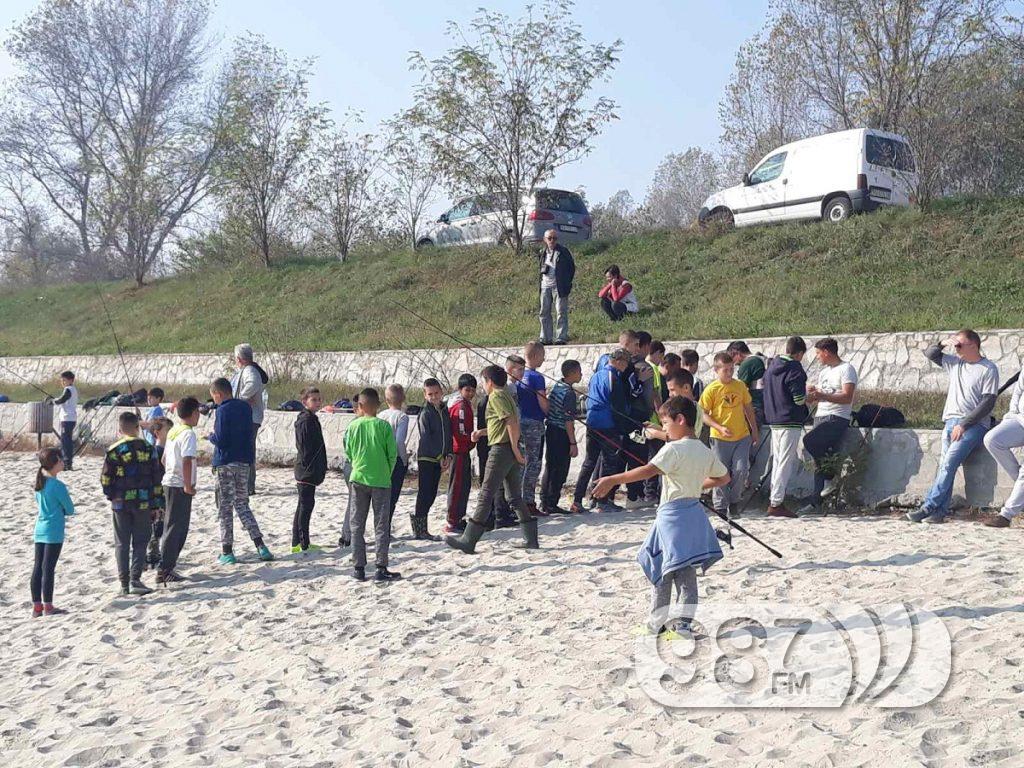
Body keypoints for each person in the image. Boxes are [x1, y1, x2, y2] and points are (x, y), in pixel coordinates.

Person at [593, 397, 729, 637]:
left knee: (663, 571)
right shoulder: (704, 450)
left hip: (671, 518)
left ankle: (657, 625)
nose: (664, 429)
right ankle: (682, 625)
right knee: (685, 573)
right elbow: (724, 478)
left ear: (680, 420)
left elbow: (648, 471)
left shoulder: (673, 449)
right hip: (694, 515)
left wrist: (613, 479)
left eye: (665, 423)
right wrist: (695, 486)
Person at [908, 329, 999, 524]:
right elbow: (930, 354)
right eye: (955, 345)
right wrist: (943, 343)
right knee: (945, 466)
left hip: (973, 425)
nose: (955, 348)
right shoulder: (955, 363)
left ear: (973, 345)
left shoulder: (988, 369)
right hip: (950, 421)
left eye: (959, 345)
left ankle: (928, 506)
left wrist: (964, 425)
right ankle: (939, 513)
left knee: (949, 463)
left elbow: (988, 402)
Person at [446, 365, 538, 554]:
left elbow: (511, 423)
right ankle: (531, 538)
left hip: (501, 450)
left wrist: (515, 449)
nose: (482, 386)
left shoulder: (496, 396)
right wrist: (482, 432)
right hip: (507, 448)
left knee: (486, 493)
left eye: (483, 382)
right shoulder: (507, 395)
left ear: (489, 381)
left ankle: (469, 540)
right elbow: (503, 424)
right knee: (514, 496)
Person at [208, 377, 274, 563]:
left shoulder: (222, 410)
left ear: (218, 394)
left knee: (225, 508)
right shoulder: (245, 408)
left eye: (214, 397)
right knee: (242, 504)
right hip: (244, 461)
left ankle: (227, 551)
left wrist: (210, 437)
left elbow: (221, 439)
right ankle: (261, 546)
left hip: (225, 463)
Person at [101, 411, 164, 596]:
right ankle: (135, 579)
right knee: (141, 541)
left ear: (120, 429)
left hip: (120, 503)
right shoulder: (149, 448)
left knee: (121, 543)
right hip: (143, 502)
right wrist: (157, 504)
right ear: (138, 427)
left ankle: (124, 583)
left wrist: (111, 495)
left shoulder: (114, 450)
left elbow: (105, 478)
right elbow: (156, 478)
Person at [344, 387, 401, 582]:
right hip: (381, 480)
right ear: (378, 405)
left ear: (359, 405)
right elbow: (392, 454)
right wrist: (386, 472)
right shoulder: (384, 426)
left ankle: (358, 567)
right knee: (381, 525)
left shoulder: (353, 426)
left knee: (356, 524)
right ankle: (380, 567)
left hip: (358, 478)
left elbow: (348, 452)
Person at [800, 338, 859, 514]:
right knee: (821, 459)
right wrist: (811, 396)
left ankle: (830, 477)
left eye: (818, 353)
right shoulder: (824, 372)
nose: (817, 357)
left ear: (826, 352)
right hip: (820, 415)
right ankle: (817, 501)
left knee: (810, 441)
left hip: (837, 416)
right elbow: (820, 395)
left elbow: (847, 397)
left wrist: (823, 396)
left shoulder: (846, 369)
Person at [571, 349, 631, 514]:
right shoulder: (614, 378)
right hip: (607, 424)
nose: (626, 367)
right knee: (608, 463)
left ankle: (577, 500)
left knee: (589, 462)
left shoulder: (596, 375)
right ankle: (602, 501)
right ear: (619, 361)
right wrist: (622, 427)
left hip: (592, 422)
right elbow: (618, 406)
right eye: (625, 363)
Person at [699, 351, 758, 519]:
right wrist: (719, 427)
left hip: (742, 436)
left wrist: (754, 430)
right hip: (719, 438)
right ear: (716, 370)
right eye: (725, 370)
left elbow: (748, 408)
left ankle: (734, 501)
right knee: (720, 472)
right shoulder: (711, 389)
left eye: (732, 369)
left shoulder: (740, 386)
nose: (730, 373)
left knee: (741, 469)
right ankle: (720, 506)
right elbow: (703, 414)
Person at [762, 337, 809, 518]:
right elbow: (799, 399)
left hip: (774, 419)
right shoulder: (794, 368)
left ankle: (774, 498)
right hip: (789, 420)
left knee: (777, 460)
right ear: (799, 353)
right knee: (785, 463)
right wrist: (810, 396)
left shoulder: (771, 367)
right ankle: (776, 502)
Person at [157, 397, 201, 584]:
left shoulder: (174, 430)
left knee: (171, 525)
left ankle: (166, 567)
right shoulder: (188, 434)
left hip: (169, 482)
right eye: (198, 412)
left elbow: (164, 459)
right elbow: (187, 459)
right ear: (193, 413)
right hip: (179, 485)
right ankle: (165, 569)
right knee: (177, 528)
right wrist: (188, 485)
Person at [31, 447, 75, 616]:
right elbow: (70, 509)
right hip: (53, 530)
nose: (63, 462)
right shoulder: (58, 486)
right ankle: (48, 606)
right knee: (48, 568)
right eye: (61, 460)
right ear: (54, 463)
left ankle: (37, 607)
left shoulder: (40, 483)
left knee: (38, 567)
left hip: (40, 529)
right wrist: (62, 510)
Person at [983, 371, 1024, 528]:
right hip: (1019, 419)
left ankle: (1005, 515)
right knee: (992, 439)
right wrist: (1013, 412)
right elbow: (1018, 391)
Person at [541, 359, 582, 515]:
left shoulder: (557, 386)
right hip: (561, 432)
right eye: (579, 372)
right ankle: (552, 502)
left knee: (550, 466)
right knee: (560, 469)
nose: (581, 375)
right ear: (572, 373)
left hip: (551, 429)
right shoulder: (569, 393)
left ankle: (545, 501)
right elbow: (568, 420)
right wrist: (573, 443)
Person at [414, 378, 452, 541]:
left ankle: (422, 527)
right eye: (430, 394)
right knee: (425, 493)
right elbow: (426, 438)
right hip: (427, 458)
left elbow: (448, 434)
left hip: (440, 458)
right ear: (425, 395)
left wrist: (448, 454)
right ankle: (420, 529)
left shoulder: (444, 411)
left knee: (432, 493)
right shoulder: (425, 413)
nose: (434, 397)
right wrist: (438, 457)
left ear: (441, 392)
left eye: (436, 393)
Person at [230, 343, 269, 495]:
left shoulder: (250, 371)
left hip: (249, 418)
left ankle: (247, 486)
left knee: (246, 451)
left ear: (239, 358)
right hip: (247, 417)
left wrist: (240, 399)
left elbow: (252, 385)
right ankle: (245, 485)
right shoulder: (247, 370)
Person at [292, 386, 327, 553]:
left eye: (319, 399)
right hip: (306, 471)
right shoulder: (305, 421)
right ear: (304, 401)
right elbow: (304, 447)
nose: (318, 402)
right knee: (305, 506)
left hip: (309, 470)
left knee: (303, 505)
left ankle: (297, 543)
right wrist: (312, 467)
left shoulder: (312, 418)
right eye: (314, 400)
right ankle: (302, 543)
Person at [517, 342, 549, 516]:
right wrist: (549, 412)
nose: (544, 359)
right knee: (534, 463)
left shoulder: (518, 375)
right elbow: (542, 401)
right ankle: (528, 502)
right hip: (534, 423)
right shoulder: (537, 377)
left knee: (522, 462)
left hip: (520, 422)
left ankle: (517, 500)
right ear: (535, 356)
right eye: (543, 355)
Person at [446, 374, 479, 535]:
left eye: (473, 390)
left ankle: (458, 517)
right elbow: (460, 432)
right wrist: (472, 439)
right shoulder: (460, 407)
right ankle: (452, 520)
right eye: (467, 390)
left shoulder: (465, 404)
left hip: (464, 450)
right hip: (458, 451)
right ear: (460, 389)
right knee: (457, 487)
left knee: (464, 486)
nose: (470, 393)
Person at [378, 384, 411, 531]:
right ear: (403, 398)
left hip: (381, 459)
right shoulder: (402, 417)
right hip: (395, 459)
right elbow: (399, 441)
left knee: (381, 495)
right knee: (392, 496)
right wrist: (404, 458)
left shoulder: (380, 415)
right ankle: (385, 527)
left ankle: (380, 526)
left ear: (386, 400)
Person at [537, 228, 576, 345]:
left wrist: (566, 283)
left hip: (559, 286)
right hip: (545, 286)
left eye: (554, 238)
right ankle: (545, 338)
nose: (552, 241)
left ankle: (561, 337)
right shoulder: (542, 252)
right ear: (545, 239)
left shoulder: (563, 251)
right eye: (549, 238)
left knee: (561, 312)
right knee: (544, 312)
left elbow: (571, 268)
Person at [729, 342, 767, 427]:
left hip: (755, 406)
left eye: (732, 357)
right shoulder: (760, 359)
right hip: (765, 404)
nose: (733, 363)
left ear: (738, 353)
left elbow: (740, 389)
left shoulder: (747, 364)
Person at [52, 370, 78, 471]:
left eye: (64, 380)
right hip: (71, 419)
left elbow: (62, 400)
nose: (63, 382)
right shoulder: (73, 390)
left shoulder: (68, 389)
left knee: (65, 441)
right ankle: (68, 462)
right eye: (62, 380)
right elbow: (63, 399)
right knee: (67, 440)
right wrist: (55, 400)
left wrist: (52, 401)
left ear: (71, 380)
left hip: (67, 419)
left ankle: (67, 463)